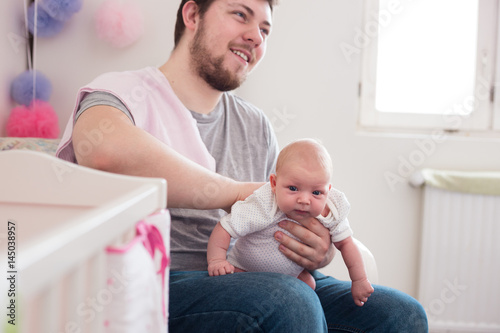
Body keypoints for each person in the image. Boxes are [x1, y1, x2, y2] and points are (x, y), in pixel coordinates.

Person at [56, 0, 428, 331]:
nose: (256, 37)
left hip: (261, 274)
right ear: (192, 14)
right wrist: (233, 191)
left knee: (399, 313)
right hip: (160, 280)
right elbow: (102, 148)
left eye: (265, 29)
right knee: (286, 301)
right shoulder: (123, 91)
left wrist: (321, 249)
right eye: (240, 15)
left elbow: (285, 219)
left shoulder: (256, 125)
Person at [208, 139, 374, 305]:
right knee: (293, 295)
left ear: (328, 191)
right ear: (274, 184)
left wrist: (359, 280)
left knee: (309, 285)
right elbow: (225, 227)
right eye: (293, 189)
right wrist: (217, 260)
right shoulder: (264, 204)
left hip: (290, 276)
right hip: (243, 269)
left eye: (316, 192)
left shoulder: (330, 210)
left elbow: (346, 244)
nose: (304, 200)